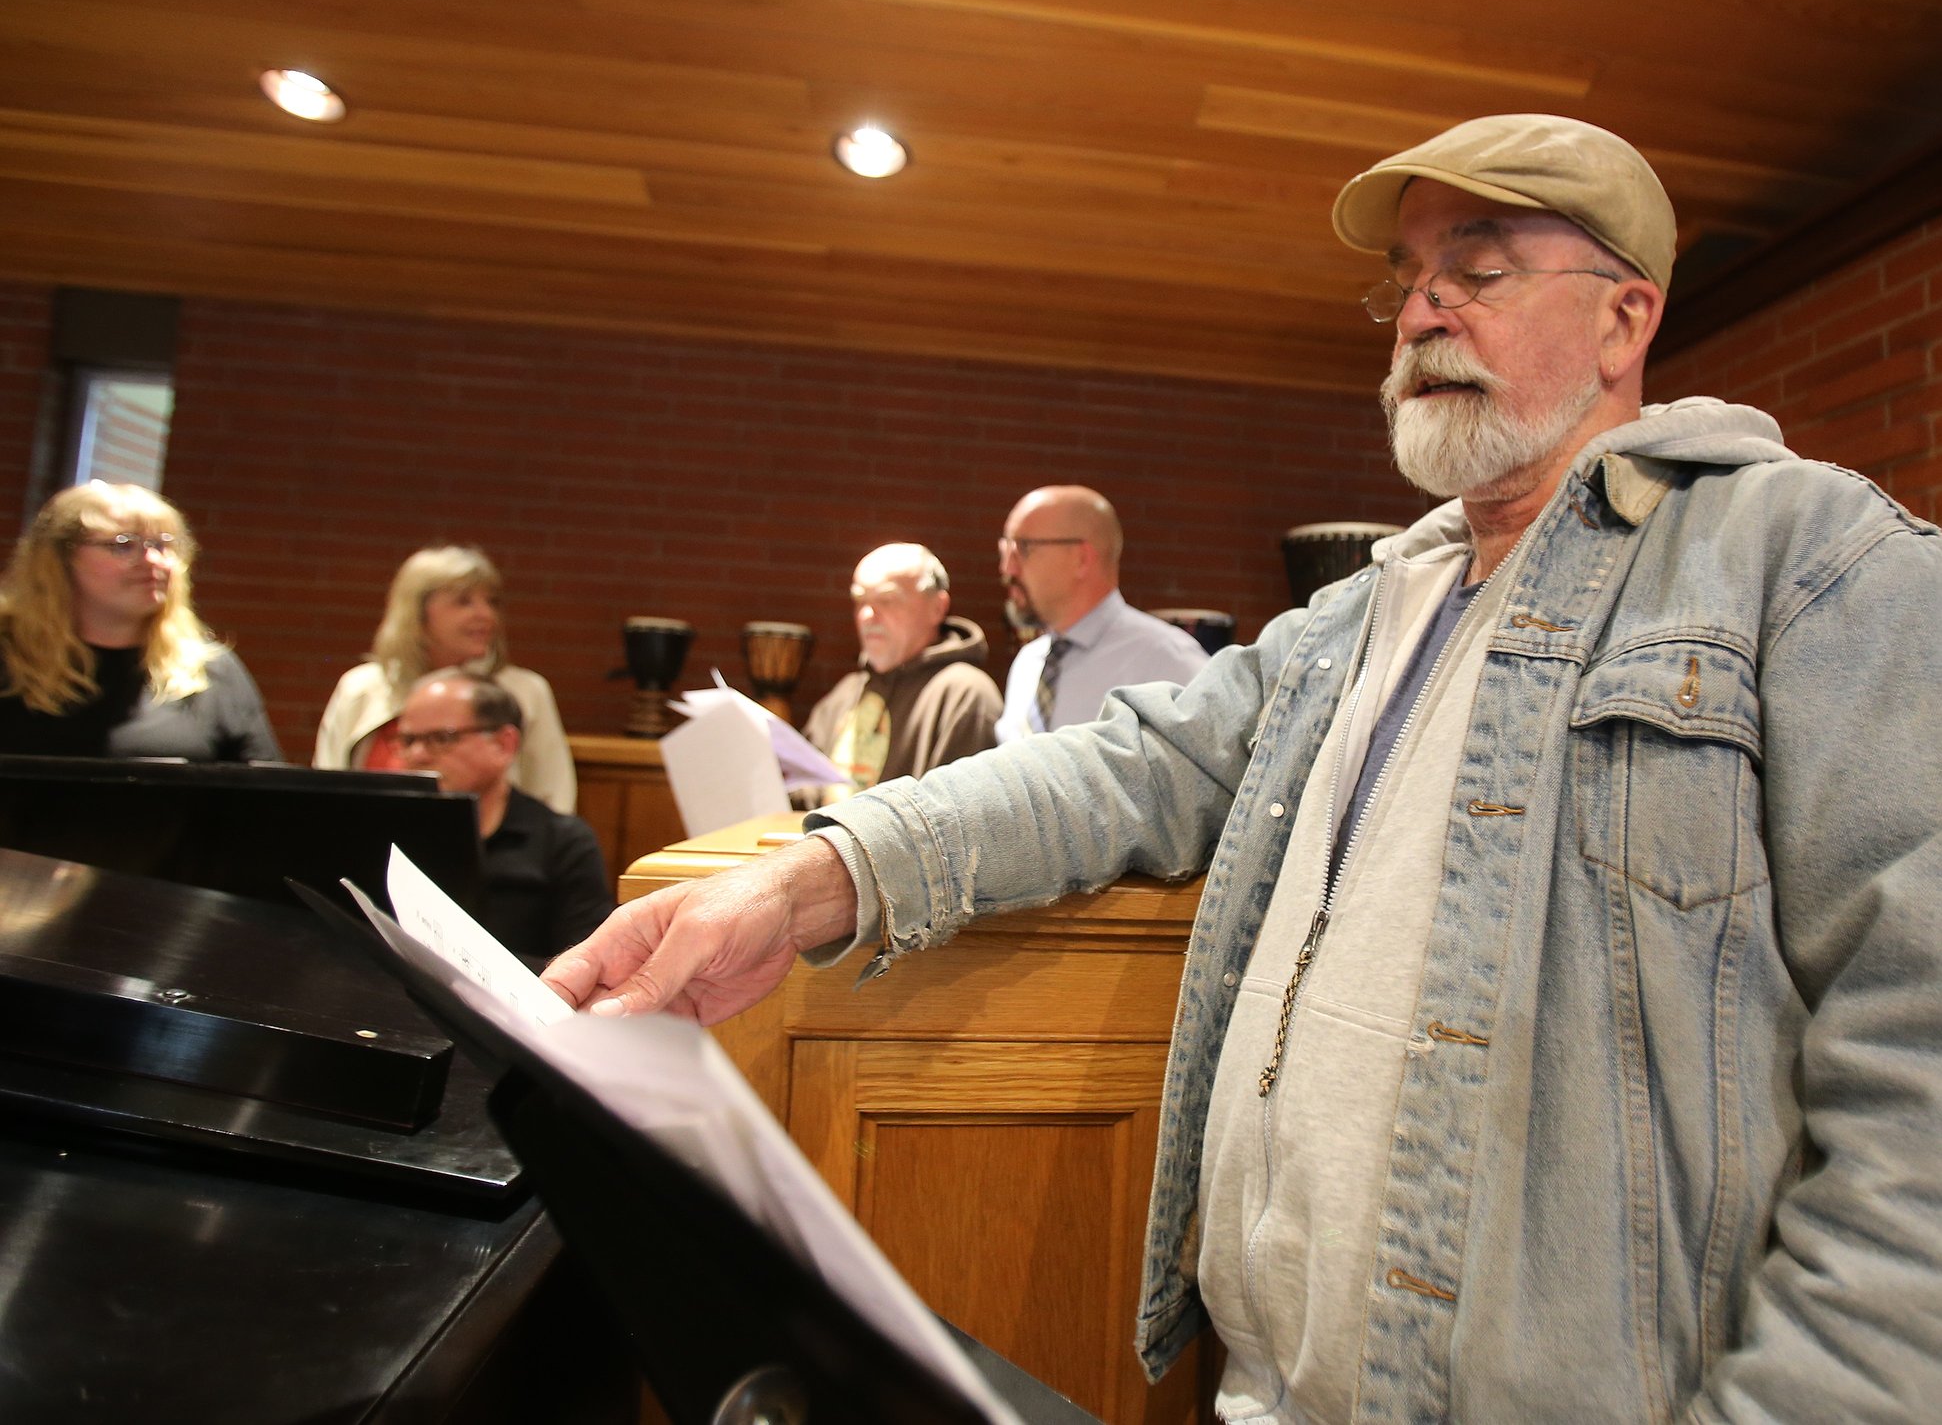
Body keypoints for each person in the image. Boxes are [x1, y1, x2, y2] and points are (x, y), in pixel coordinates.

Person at [544, 113, 1942, 1420]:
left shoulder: (1804, 559)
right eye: (1406, 282)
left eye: (1477, 271)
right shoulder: (1356, 614)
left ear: (1624, 317)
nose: (1420, 313)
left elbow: (1918, 1069)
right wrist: (807, 879)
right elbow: (1121, 766)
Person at [0, 481, 281, 761]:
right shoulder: (8, 655)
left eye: (163, 544)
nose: (152, 560)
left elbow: (263, 784)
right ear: (61, 558)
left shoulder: (208, 669)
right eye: (123, 545)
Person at [315, 545, 576, 812]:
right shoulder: (362, 688)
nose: (486, 615)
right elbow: (324, 791)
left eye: (491, 602)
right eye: (464, 601)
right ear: (417, 612)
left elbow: (553, 797)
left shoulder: (525, 692)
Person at [396, 669, 611, 964]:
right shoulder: (388, 833)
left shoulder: (563, 842)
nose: (418, 755)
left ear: (504, 744)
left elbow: (586, 964)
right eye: (408, 740)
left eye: (441, 738)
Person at [993, 485, 1208, 742]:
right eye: (1005, 549)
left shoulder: (1169, 661)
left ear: (1082, 559)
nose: (1007, 568)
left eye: (1023, 548)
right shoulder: (1029, 661)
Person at [800, 543, 1001, 804]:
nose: (867, 615)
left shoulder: (965, 694)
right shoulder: (847, 692)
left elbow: (955, 813)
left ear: (937, 607)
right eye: (860, 600)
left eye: (886, 600)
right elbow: (805, 789)